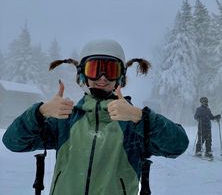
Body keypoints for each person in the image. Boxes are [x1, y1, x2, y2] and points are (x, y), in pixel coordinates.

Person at [3, 39, 189, 195]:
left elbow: (177, 145)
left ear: (120, 77)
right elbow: (13, 142)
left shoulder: (133, 125)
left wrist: (142, 117)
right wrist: (39, 112)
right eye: (95, 69)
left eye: (110, 70)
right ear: (83, 74)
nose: (102, 77)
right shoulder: (66, 121)